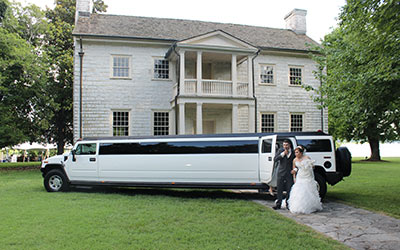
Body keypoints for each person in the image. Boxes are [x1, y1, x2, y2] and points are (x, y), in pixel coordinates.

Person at [288, 145, 323, 214]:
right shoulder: (294, 160)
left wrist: (310, 166)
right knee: (299, 190)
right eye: (295, 152)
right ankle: (298, 206)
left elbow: (312, 167)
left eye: (297, 152)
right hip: (300, 175)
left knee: (308, 189)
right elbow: (295, 168)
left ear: (301, 153)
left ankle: (310, 205)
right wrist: (294, 174)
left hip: (307, 175)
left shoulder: (306, 158)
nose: (296, 154)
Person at [272, 139, 295, 210]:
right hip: (281, 173)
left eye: (286, 145)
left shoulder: (294, 152)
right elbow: (275, 159)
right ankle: (278, 204)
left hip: (289, 173)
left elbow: (296, 162)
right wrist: (282, 154)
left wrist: (295, 170)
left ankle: (288, 204)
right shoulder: (280, 151)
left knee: (289, 189)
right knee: (279, 189)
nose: (285, 146)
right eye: (284, 145)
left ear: (289, 145)